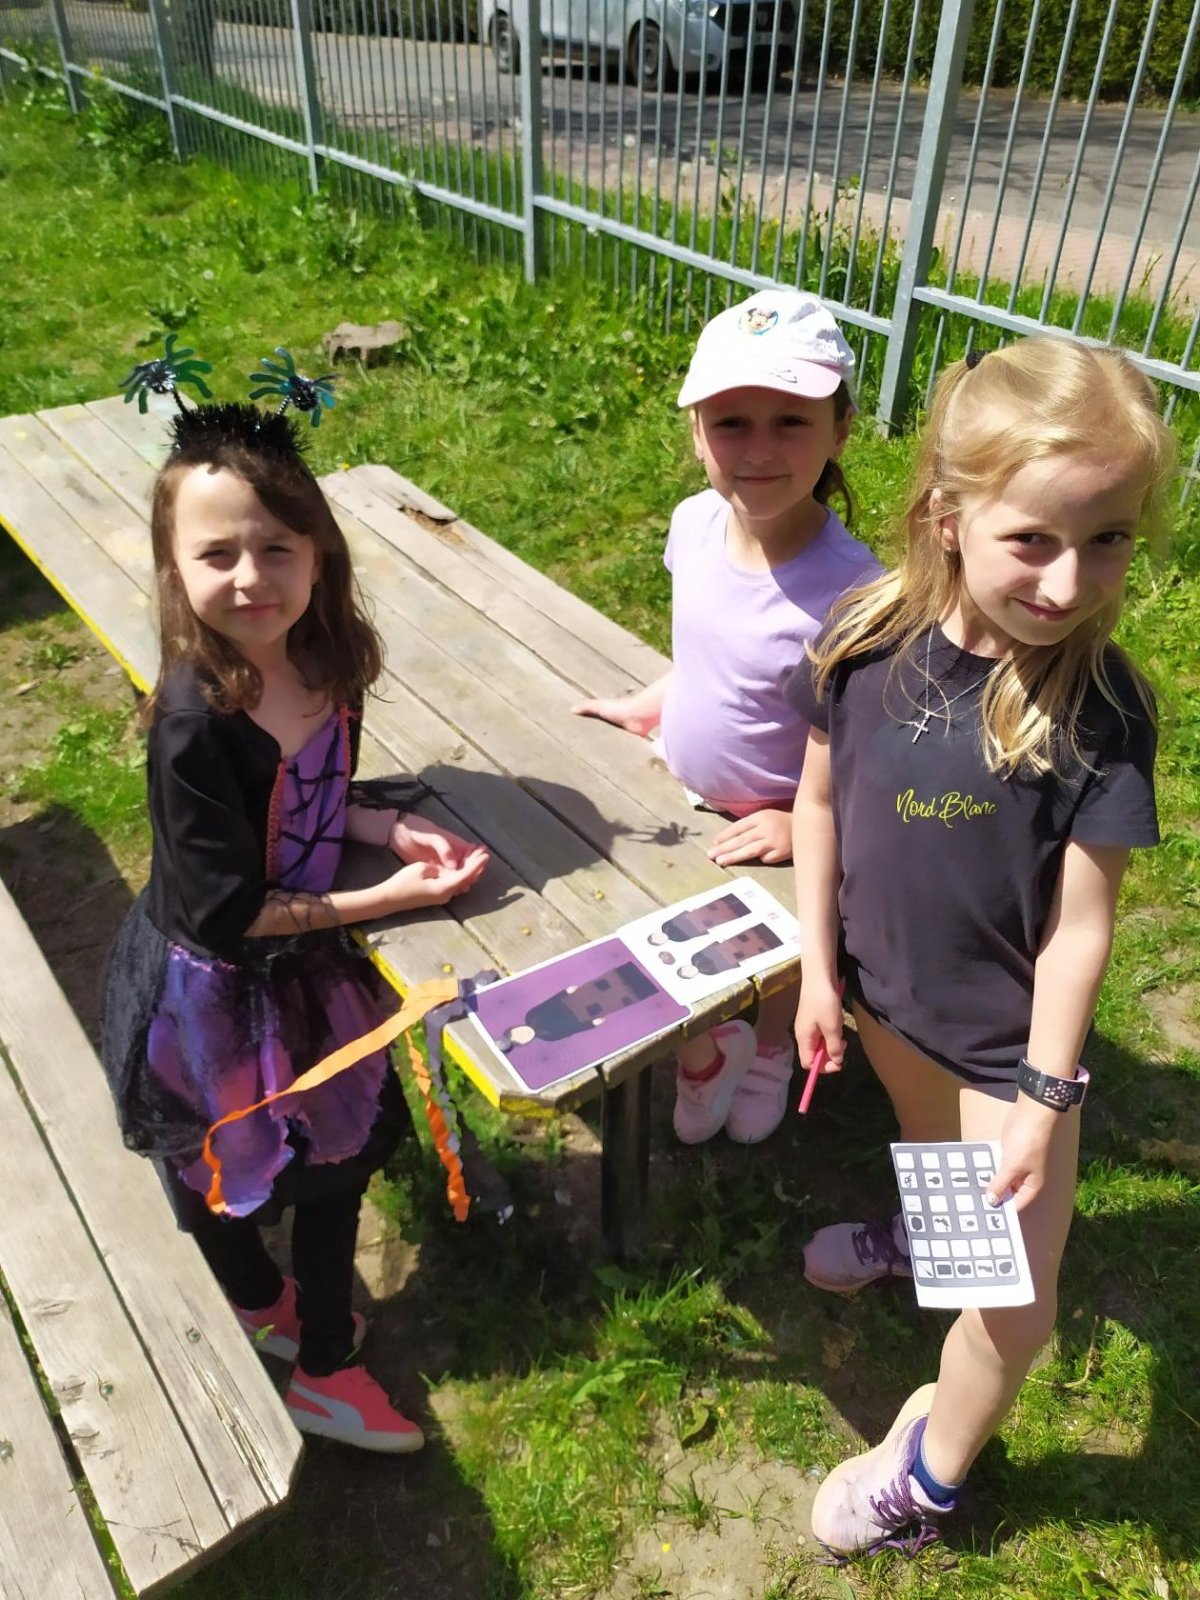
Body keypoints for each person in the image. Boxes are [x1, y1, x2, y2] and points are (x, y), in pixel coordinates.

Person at [786, 339, 1176, 1555]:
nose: (1068, 581)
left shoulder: (1102, 708)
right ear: (947, 515)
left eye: (1107, 539)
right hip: (886, 1005)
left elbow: (1081, 925)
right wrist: (817, 971)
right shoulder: (860, 640)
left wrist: (1047, 1098)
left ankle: (927, 1479)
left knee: (1013, 1310)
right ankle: (927, 1234)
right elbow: (816, 801)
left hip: (1011, 1058)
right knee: (927, 1146)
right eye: (1034, 539)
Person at [101, 400, 488, 1454]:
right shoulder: (195, 723)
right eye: (216, 553)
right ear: (173, 568)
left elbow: (310, 793)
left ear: (319, 553)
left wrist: (383, 824)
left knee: (332, 1166)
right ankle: (277, 1318)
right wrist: (390, 900)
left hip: (298, 963)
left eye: (276, 546)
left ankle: (318, 1355)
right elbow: (230, 910)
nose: (250, 577)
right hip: (211, 986)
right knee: (215, 1162)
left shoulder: (326, 663)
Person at [574, 289, 880, 1145]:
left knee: (778, 955)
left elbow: (871, 752)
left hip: (788, 823)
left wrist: (797, 824)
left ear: (841, 430)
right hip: (686, 795)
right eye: (731, 423)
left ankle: (773, 1042)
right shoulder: (694, 524)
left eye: (791, 422)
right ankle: (712, 1048)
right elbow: (706, 647)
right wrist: (654, 702)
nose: (759, 449)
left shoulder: (856, 593)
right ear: (696, 432)